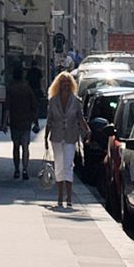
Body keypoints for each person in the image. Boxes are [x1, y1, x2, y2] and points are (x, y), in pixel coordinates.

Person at [44, 70, 89, 210]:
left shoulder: (76, 101)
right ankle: (59, 197)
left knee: (68, 165)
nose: (65, 85)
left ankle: (69, 197)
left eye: (67, 83)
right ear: (58, 84)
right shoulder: (53, 100)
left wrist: (87, 130)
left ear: (71, 85)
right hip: (56, 137)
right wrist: (45, 137)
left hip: (70, 136)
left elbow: (80, 118)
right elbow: (49, 120)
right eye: (63, 82)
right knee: (59, 166)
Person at [5, 63, 40, 179]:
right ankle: (25, 169)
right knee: (25, 146)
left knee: (15, 146)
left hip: (15, 122)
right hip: (26, 122)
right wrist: (36, 122)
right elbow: (33, 106)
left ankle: (16, 170)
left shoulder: (10, 88)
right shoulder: (27, 88)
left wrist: (4, 123)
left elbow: (7, 108)